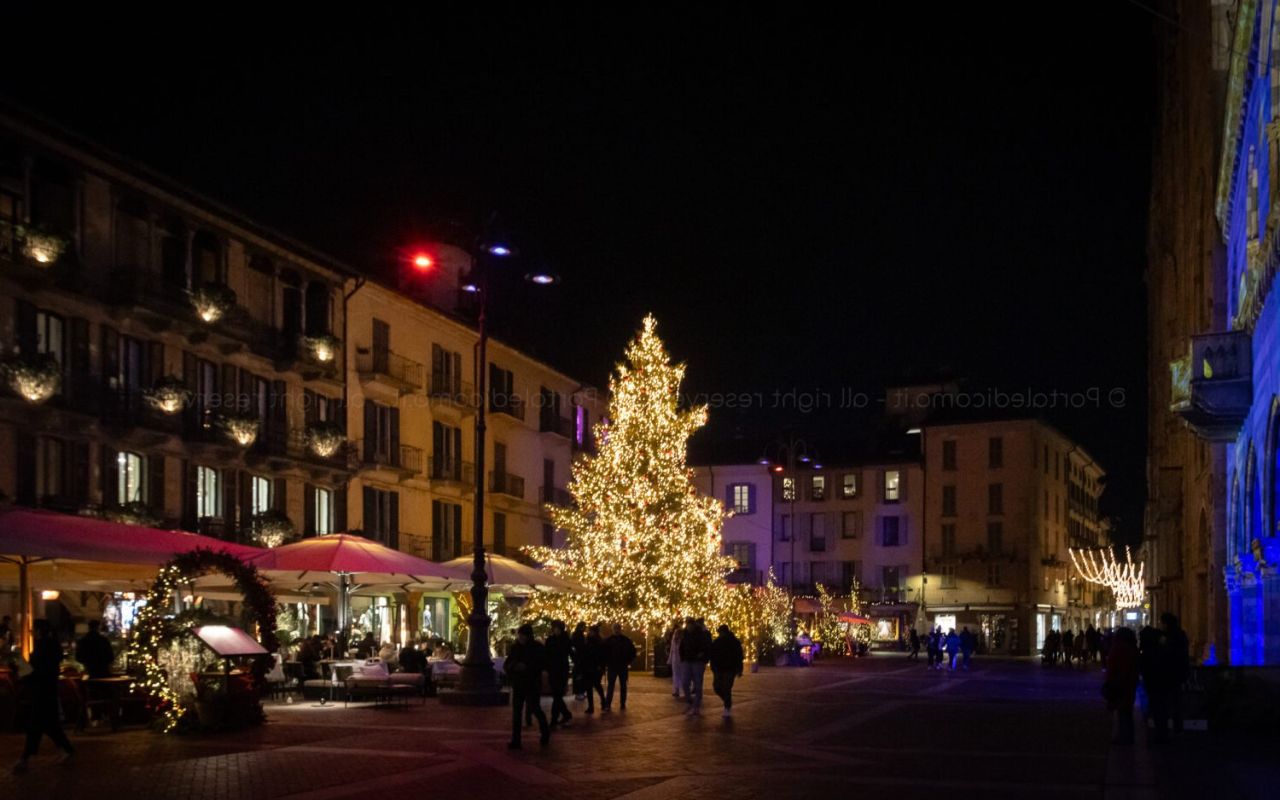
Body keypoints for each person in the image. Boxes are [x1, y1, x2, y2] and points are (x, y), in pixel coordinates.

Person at [13, 619, 75, 774]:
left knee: (37, 725)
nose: (32, 632)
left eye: (34, 629)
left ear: (40, 630)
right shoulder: (52, 645)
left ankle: (24, 758)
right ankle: (66, 749)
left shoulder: (43, 646)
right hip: (47, 689)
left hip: (41, 690)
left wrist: (24, 673)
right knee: (48, 724)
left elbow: (37, 670)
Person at [504, 624, 550, 749]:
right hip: (518, 684)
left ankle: (545, 732)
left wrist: (527, 667)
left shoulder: (537, 648)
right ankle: (516, 740)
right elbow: (507, 664)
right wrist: (514, 666)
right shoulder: (515, 648)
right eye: (519, 635)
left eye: (523, 635)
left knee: (535, 709)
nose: (520, 637)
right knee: (517, 712)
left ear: (528, 636)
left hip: (532, 683)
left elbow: (542, 664)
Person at [1151, 613, 1190, 742]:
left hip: (1168, 675)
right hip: (1176, 675)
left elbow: (1167, 655)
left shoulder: (1169, 638)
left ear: (1166, 624)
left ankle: (1165, 731)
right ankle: (1177, 729)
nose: (1161, 625)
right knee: (1176, 704)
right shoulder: (1181, 636)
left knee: (1166, 705)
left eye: (1162, 623)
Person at [1103, 627, 1140, 745]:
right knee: (1126, 712)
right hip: (1129, 684)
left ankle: (1123, 737)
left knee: (1122, 712)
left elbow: (1117, 666)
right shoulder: (1132, 648)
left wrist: (1113, 680)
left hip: (1120, 684)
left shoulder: (1120, 648)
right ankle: (1127, 736)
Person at [709, 624, 744, 718]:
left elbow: (739, 656)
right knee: (717, 687)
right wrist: (713, 667)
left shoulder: (734, 642)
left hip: (729, 668)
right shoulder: (717, 642)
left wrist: (739, 668)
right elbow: (712, 655)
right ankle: (727, 702)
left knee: (726, 687)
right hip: (719, 668)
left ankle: (727, 706)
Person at [680, 618, 712, 715]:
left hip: (697, 661)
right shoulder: (685, 633)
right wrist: (683, 657)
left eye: (689, 624)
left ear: (693, 625)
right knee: (685, 682)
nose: (688, 626)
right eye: (687, 624)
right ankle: (689, 701)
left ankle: (696, 706)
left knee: (698, 684)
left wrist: (702, 655)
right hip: (687, 660)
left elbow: (707, 646)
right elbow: (682, 646)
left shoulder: (701, 634)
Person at [544, 620, 573, 727]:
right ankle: (566, 714)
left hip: (562, 671)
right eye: (554, 627)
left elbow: (571, 653)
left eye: (556, 627)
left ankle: (554, 720)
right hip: (552, 670)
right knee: (556, 695)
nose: (555, 629)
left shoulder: (566, 640)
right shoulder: (550, 640)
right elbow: (546, 654)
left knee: (557, 695)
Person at [603, 623, 636, 712]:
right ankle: (612, 704)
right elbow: (633, 652)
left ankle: (618, 704)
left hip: (619, 666)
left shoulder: (620, 640)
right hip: (615, 666)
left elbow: (632, 652)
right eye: (615, 628)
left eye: (617, 628)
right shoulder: (624, 640)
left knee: (619, 686)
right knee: (615, 686)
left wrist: (627, 661)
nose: (616, 630)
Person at [581, 624, 607, 714]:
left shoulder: (598, 642)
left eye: (591, 631)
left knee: (596, 685)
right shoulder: (588, 641)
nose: (589, 632)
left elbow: (602, 656)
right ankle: (591, 706)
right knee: (590, 687)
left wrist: (600, 666)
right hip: (589, 667)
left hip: (596, 667)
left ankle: (602, 702)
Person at [668, 620, 686, 697]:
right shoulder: (674, 641)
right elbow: (672, 650)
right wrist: (670, 659)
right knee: (676, 675)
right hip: (676, 660)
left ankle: (682, 690)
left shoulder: (682, 640)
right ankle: (676, 690)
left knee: (681, 675)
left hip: (681, 660)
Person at [570, 622, 588, 700]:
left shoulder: (579, 635)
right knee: (579, 676)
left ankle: (580, 692)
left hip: (580, 659)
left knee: (580, 676)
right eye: (584, 626)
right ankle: (579, 692)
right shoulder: (578, 635)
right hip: (579, 659)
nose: (585, 628)